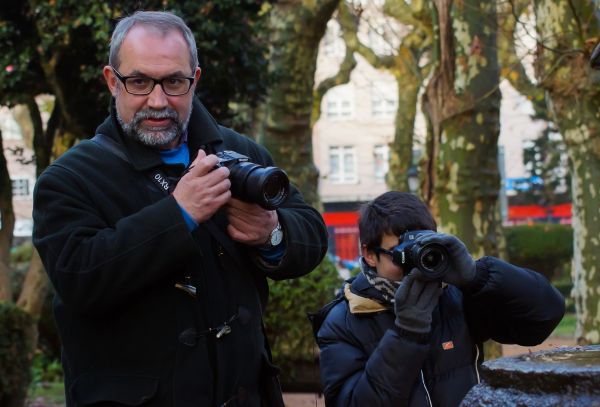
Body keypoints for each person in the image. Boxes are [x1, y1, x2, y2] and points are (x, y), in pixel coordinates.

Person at [32, 11, 328, 407]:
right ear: (111, 81)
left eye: (174, 81)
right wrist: (179, 214)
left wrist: (272, 234)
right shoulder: (69, 177)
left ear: (195, 80)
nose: (157, 101)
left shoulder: (241, 150)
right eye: (138, 82)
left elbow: (311, 231)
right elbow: (80, 278)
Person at [311, 191, 565, 407]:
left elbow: (543, 317)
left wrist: (479, 276)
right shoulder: (342, 321)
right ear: (368, 254)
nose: (413, 263)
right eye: (401, 254)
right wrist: (406, 335)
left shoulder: (454, 298)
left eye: (420, 248)